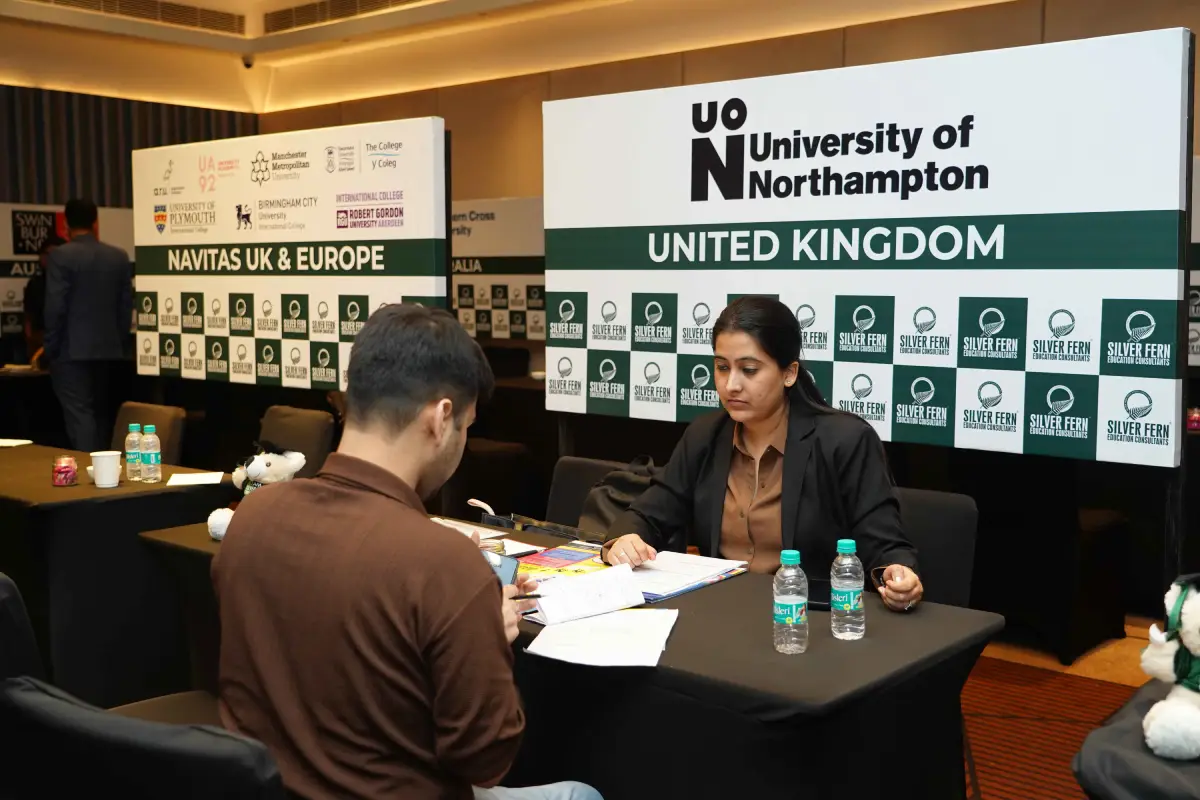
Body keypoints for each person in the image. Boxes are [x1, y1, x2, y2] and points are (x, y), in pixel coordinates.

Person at [212, 304, 602, 800]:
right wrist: (484, 635)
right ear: (441, 418)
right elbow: (485, 760)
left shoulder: (253, 517)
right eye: (466, 426)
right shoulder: (446, 564)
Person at [603, 296, 923, 612]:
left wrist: (897, 575)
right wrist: (625, 540)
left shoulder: (845, 440)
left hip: (809, 617)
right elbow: (648, 514)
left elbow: (884, 546)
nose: (731, 384)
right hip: (720, 612)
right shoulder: (705, 435)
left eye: (749, 369)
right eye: (722, 367)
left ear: (789, 373)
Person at [44, 199, 132, 452]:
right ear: (96, 222)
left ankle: (89, 470)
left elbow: (55, 307)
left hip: (71, 352)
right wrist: (119, 342)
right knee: (101, 415)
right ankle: (106, 467)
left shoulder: (60, 256)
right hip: (109, 350)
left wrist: (50, 348)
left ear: (66, 224)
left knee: (80, 416)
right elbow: (125, 308)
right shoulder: (118, 257)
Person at [22, 234, 65, 367]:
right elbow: (28, 316)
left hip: (67, 343)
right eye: (48, 254)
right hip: (39, 341)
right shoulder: (35, 284)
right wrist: (31, 341)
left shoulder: (73, 284)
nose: (52, 259)